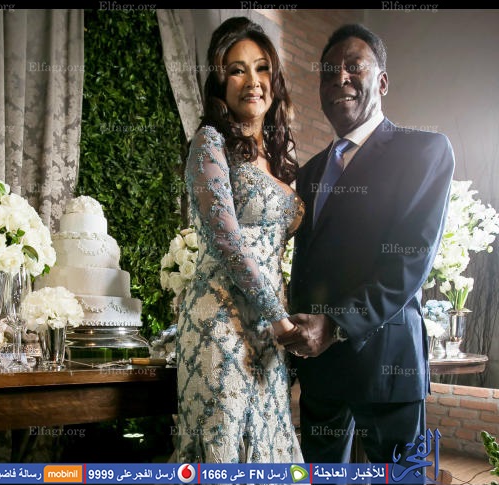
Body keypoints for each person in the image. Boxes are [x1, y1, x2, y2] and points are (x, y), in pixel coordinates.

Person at [285, 23, 455, 467]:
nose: (339, 78)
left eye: (353, 67)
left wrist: (335, 324)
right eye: (328, 72)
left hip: (386, 367)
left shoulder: (424, 151)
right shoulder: (310, 172)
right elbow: (306, 263)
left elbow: (410, 263)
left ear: (381, 81)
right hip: (319, 370)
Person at [173, 16, 305, 463]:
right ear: (219, 82)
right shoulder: (209, 142)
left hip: (268, 333)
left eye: (262, 67)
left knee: (269, 449)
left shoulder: (279, 159)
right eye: (236, 70)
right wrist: (281, 321)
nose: (252, 81)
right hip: (220, 324)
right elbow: (227, 240)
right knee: (224, 450)